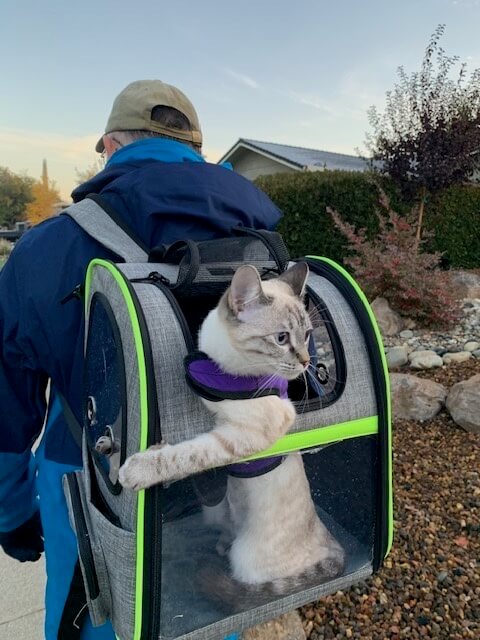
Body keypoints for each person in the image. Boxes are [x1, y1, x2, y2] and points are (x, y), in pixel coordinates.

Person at [0, 79, 282, 639]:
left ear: (108, 144)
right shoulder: (263, 238)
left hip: (90, 478)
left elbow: (7, 407)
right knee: (205, 614)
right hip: (222, 467)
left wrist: (12, 516)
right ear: (197, 150)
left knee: (103, 616)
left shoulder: (46, 247)